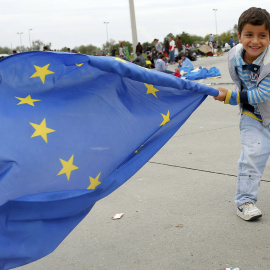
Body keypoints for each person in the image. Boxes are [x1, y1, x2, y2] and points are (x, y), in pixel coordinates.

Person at [214, 7, 270, 221]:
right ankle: (245, 201)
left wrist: (230, 96)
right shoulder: (234, 57)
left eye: (262, 35)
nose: (255, 41)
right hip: (253, 117)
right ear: (239, 37)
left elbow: (261, 94)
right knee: (252, 155)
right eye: (249, 35)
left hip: (263, 106)